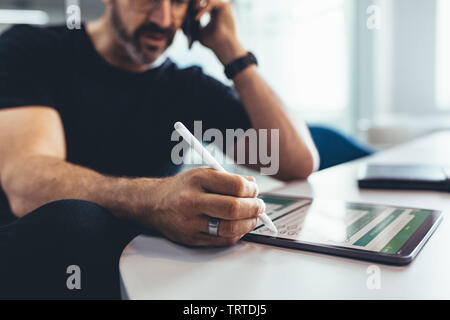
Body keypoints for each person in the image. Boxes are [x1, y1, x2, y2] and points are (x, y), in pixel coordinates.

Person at [0, 0, 319, 299]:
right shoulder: (31, 49)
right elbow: (25, 180)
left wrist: (232, 51)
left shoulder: (189, 88)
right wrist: (153, 199)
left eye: (179, 1)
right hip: (36, 262)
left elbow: (296, 161)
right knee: (77, 222)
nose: (163, 19)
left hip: (139, 276)